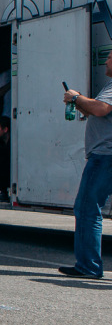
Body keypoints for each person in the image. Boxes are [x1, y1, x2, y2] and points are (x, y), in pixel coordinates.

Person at [60, 51, 112, 278]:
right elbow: (97, 111)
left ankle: (88, 266)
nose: (106, 61)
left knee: (87, 209)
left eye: (110, 57)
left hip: (105, 156)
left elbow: (101, 108)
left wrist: (75, 98)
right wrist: (81, 103)